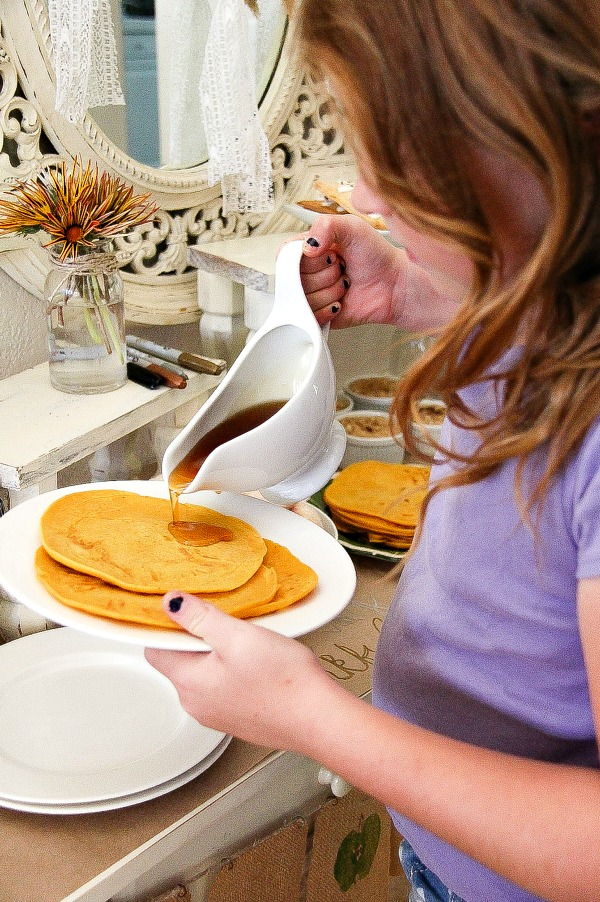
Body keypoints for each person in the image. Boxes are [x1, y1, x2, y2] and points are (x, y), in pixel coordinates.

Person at [145, 0, 600, 898]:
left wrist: (315, 718)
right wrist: (424, 289)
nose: (366, 199)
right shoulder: (551, 297)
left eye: (400, 165)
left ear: (553, 138)